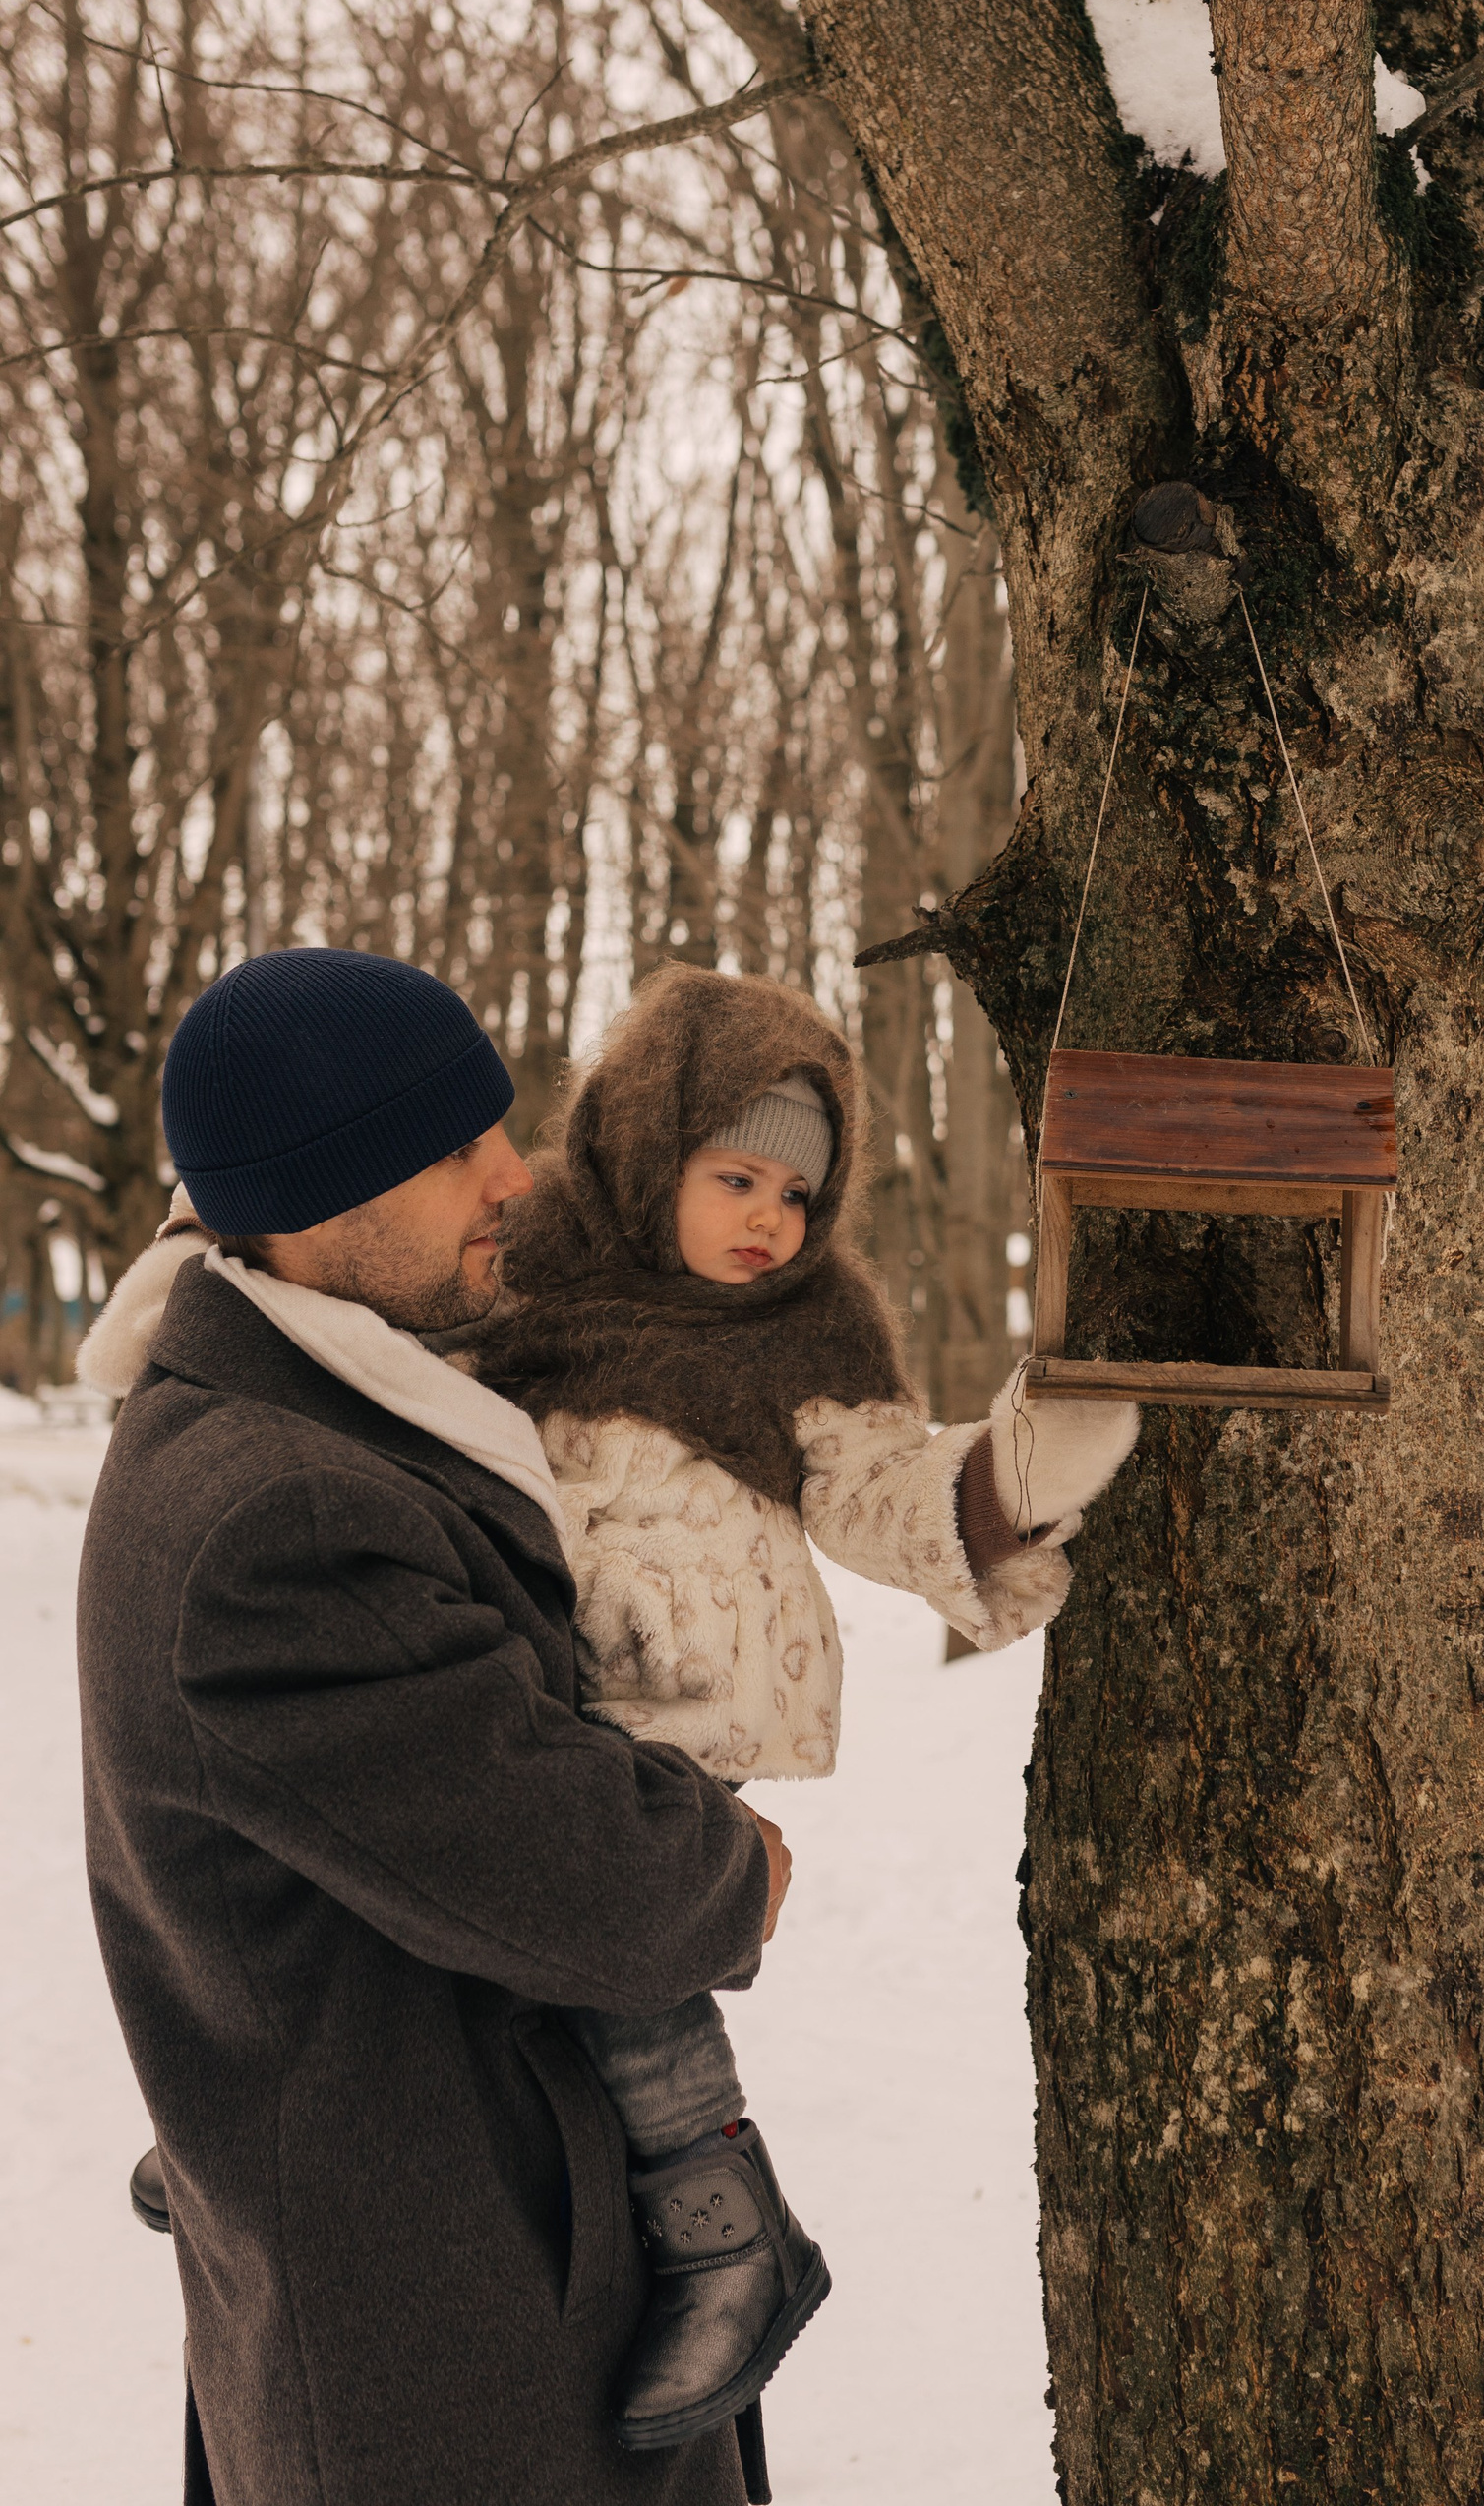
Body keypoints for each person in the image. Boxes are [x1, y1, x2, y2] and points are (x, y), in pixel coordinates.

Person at [76, 948, 783, 2506]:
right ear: (318, 1198)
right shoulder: (280, 1516)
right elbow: (591, 1882)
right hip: (452, 2364)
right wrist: (739, 1864)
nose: (513, 1176)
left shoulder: (282, 1415)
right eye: (458, 1147)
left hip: (475, 2277)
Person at [462, 966, 1140, 2450]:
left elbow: (881, 1488)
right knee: (434, 1920)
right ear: (647, 1151)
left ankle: (726, 2233)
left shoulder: (809, 1328)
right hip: (521, 1691)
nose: (770, 1218)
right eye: (737, 1178)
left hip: (678, 1720)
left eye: (797, 1194)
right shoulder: (519, 1273)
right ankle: (305, 2120)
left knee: (633, 1984)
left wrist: (1014, 1477)